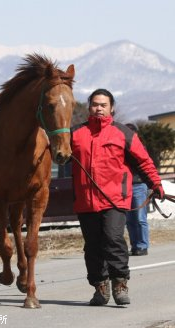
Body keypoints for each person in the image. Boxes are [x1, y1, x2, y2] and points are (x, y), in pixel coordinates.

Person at [71, 89, 164, 306]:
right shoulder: (74, 134)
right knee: (92, 246)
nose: (99, 108)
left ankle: (120, 284)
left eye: (103, 104)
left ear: (111, 107)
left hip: (114, 199)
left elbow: (143, 161)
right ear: (89, 107)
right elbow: (55, 154)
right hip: (85, 200)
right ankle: (100, 287)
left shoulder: (124, 133)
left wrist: (156, 183)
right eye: (95, 104)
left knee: (113, 240)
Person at [125, 123, 149, 256]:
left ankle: (142, 245)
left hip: (139, 185)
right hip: (126, 186)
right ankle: (135, 246)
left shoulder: (140, 148)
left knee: (140, 218)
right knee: (130, 219)